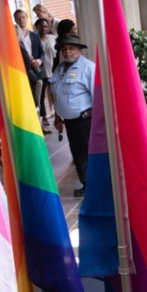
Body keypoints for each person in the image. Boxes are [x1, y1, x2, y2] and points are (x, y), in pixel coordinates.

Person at [50, 34, 95, 197]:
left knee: (88, 154)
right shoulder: (60, 69)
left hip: (85, 120)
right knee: (77, 155)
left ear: (79, 50)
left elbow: (97, 96)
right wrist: (57, 116)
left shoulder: (89, 68)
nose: (68, 51)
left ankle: (93, 186)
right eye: (65, 49)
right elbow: (56, 93)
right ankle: (86, 184)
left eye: (71, 48)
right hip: (69, 122)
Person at [35, 18, 56, 130]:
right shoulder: (34, 39)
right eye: (41, 26)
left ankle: (57, 113)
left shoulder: (53, 39)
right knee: (41, 96)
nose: (43, 28)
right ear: (37, 27)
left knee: (55, 94)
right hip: (41, 72)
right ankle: (44, 117)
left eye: (45, 26)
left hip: (53, 70)